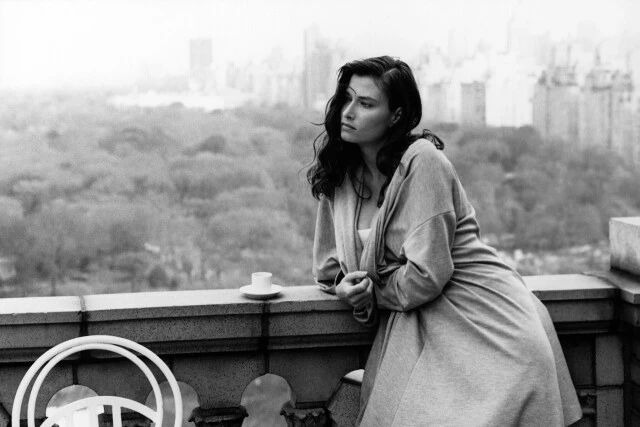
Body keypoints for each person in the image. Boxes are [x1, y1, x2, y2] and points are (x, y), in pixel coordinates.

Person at [308, 56, 582, 426]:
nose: (349, 111)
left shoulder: (423, 163)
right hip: (415, 319)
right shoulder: (339, 179)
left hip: (485, 313)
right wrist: (346, 287)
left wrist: (372, 294)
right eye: (347, 98)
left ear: (396, 116)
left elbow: (427, 275)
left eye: (366, 103)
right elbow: (328, 268)